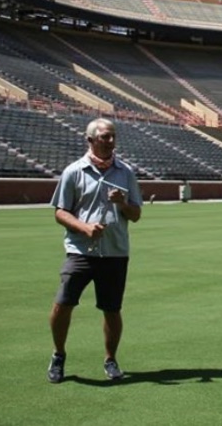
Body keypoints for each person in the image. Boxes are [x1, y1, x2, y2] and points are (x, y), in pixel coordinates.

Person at [47, 117, 142, 384]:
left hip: (114, 252)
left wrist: (123, 203)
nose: (111, 141)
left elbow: (135, 214)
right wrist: (84, 228)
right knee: (63, 303)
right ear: (90, 140)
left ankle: (110, 359)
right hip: (80, 250)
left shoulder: (126, 172)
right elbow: (60, 212)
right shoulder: (74, 171)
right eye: (105, 137)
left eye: (113, 136)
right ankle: (58, 355)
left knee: (112, 309)